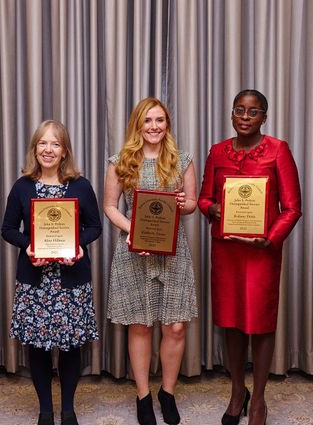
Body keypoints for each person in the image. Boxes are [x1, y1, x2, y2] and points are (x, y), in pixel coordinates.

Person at [198, 89, 302, 425]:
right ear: (231, 114)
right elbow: (203, 199)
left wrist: (270, 239)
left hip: (261, 252)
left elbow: (292, 207)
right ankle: (236, 392)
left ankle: (258, 400)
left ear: (264, 117)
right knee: (231, 321)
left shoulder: (278, 150)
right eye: (239, 110)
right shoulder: (217, 151)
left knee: (260, 322)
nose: (245, 117)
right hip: (227, 250)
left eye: (253, 112)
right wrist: (212, 208)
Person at [104, 97, 198, 425]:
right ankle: (143, 395)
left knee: (175, 326)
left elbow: (191, 205)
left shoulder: (181, 159)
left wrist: (186, 204)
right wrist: (135, 231)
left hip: (174, 252)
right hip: (134, 250)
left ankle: (167, 393)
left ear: (167, 124)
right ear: (138, 125)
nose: (154, 127)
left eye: (160, 120)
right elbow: (110, 206)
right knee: (141, 324)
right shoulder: (121, 161)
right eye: (148, 121)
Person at [1, 120, 101, 425]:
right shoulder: (22, 186)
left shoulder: (81, 186)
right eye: (42, 143)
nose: (48, 149)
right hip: (35, 282)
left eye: (55, 144)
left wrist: (79, 245)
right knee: (38, 347)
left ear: (65, 150)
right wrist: (29, 246)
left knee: (71, 346)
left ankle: (68, 408)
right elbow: (7, 229)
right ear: (35, 148)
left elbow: (94, 226)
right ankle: (45, 409)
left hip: (71, 280)